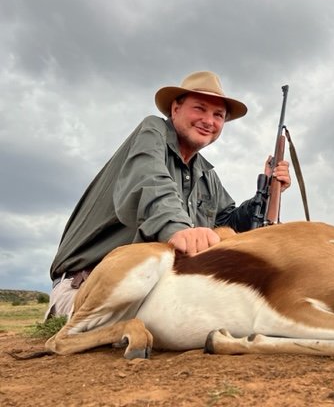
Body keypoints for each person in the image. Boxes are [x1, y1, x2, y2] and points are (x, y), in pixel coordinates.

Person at [45, 71, 291, 319]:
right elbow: (150, 181)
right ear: (175, 109)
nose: (209, 120)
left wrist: (267, 193)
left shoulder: (206, 174)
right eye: (200, 109)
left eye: (218, 115)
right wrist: (178, 229)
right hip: (87, 285)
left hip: (149, 282)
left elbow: (227, 222)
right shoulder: (152, 132)